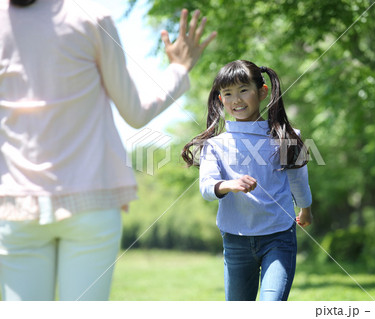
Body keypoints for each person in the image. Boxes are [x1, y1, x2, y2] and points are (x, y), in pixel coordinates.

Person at [0, 0, 216, 301]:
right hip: (92, 200)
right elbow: (135, 112)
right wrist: (178, 70)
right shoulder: (90, 17)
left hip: (16, 206)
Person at [181, 60, 313, 301]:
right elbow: (206, 186)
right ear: (221, 100)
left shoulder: (285, 137)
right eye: (228, 93)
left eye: (244, 90)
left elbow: (297, 178)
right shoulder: (215, 145)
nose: (236, 100)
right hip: (235, 240)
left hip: (279, 236)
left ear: (262, 92)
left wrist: (305, 208)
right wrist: (229, 185)